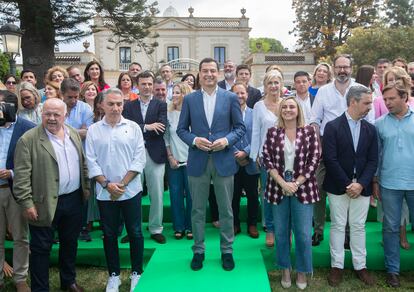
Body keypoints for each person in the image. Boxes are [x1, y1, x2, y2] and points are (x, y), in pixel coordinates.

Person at [13, 98, 90, 292]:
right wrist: (27, 203)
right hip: (42, 203)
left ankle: (68, 281)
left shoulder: (73, 133)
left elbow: (82, 164)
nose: (52, 118)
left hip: (73, 200)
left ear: (65, 115)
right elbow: (21, 177)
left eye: (57, 114)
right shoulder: (28, 140)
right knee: (40, 249)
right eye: (48, 114)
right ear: (41, 114)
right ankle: (40, 288)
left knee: (70, 244)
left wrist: (86, 188)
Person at [177, 57, 245, 271]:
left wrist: (226, 141)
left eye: (212, 70)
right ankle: (198, 250)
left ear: (218, 73)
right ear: (199, 73)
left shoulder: (231, 97)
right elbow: (181, 130)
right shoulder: (190, 100)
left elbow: (240, 128)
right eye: (204, 70)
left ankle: (227, 251)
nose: (208, 74)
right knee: (197, 209)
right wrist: (195, 140)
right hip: (198, 160)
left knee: (226, 209)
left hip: (223, 159)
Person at [310, 54, 374, 247]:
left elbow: (369, 122)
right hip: (325, 145)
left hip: (353, 148)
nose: (342, 71)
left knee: (349, 187)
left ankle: (347, 233)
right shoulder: (323, 91)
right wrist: (318, 145)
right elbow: (315, 120)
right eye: (339, 67)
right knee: (318, 188)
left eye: (346, 67)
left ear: (351, 68)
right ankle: (318, 229)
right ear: (333, 68)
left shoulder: (361, 90)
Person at [86, 88, 146, 292]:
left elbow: (139, 159)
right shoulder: (94, 130)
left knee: (135, 232)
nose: (115, 108)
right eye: (111, 104)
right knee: (109, 234)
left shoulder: (134, 127)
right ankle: (114, 275)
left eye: (119, 104)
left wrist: (122, 185)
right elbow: (91, 161)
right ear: (101, 105)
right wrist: (106, 184)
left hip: (130, 191)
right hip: (105, 193)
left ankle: (137, 272)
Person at [262, 96, 320, 290]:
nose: (288, 109)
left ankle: (302, 270)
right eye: (284, 107)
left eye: (291, 107)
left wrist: (296, 183)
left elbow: (314, 159)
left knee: (303, 234)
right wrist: (282, 183)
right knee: (280, 232)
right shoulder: (272, 132)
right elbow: (266, 159)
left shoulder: (309, 132)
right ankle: (285, 268)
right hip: (278, 187)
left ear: (298, 110)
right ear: (280, 111)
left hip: (303, 188)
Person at [323, 85, 378, 287]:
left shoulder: (370, 129)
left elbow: (373, 161)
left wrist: (361, 184)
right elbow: (330, 159)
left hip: (361, 188)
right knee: (337, 225)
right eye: (366, 103)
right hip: (338, 186)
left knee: (358, 226)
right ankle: (336, 266)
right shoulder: (332, 126)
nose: (370, 107)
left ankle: (360, 266)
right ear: (353, 102)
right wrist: (348, 184)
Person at [373, 81, 414, 288]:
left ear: (404, 97)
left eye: (392, 98)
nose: (387, 103)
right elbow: (376, 157)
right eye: (385, 99)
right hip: (389, 183)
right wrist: (375, 181)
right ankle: (393, 271)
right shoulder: (379, 124)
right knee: (390, 228)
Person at [123, 71, 168, 244]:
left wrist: (140, 127)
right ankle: (133, 229)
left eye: (150, 84)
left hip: (155, 154)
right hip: (133, 155)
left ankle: (156, 228)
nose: (147, 87)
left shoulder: (160, 105)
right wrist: (148, 126)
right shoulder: (129, 106)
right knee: (133, 193)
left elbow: (162, 128)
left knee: (156, 193)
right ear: (137, 85)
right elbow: (127, 128)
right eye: (144, 84)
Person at [0, 91, 35, 292]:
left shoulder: (28, 129)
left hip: (16, 191)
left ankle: (20, 278)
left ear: (11, 107)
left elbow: (34, 163)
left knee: (20, 237)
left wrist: (12, 172)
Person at [250, 70, 283, 247]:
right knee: (268, 194)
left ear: (281, 84)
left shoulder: (287, 103)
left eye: (276, 82)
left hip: (288, 157)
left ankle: (284, 229)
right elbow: (256, 131)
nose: (273, 86)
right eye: (270, 83)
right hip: (266, 158)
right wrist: (254, 154)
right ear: (265, 86)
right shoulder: (258, 106)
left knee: (286, 195)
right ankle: (270, 229)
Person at [230, 82, 260, 238]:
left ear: (247, 95)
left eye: (242, 93)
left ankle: (252, 224)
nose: (240, 96)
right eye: (236, 93)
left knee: (253, 195)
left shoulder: (255, 113)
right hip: (232, 162)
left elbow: (258, 135)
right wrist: (236, 153)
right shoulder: (226, 114)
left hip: (251, 161)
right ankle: (235, 224)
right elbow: (225, 135)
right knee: (233, 196)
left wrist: (246, 152)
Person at [164, 82, 193, 240]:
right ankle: (179, 227)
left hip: (191, 161)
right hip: (174, 161)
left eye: (177, 92)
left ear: (185, 94)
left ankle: (190, 226)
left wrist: (193, 159)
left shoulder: (193, 115)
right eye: (173, 92)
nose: (174, 95)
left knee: (191, 196)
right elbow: (166, 137)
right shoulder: (168, 114)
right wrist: (170, 157)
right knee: (175, 195)